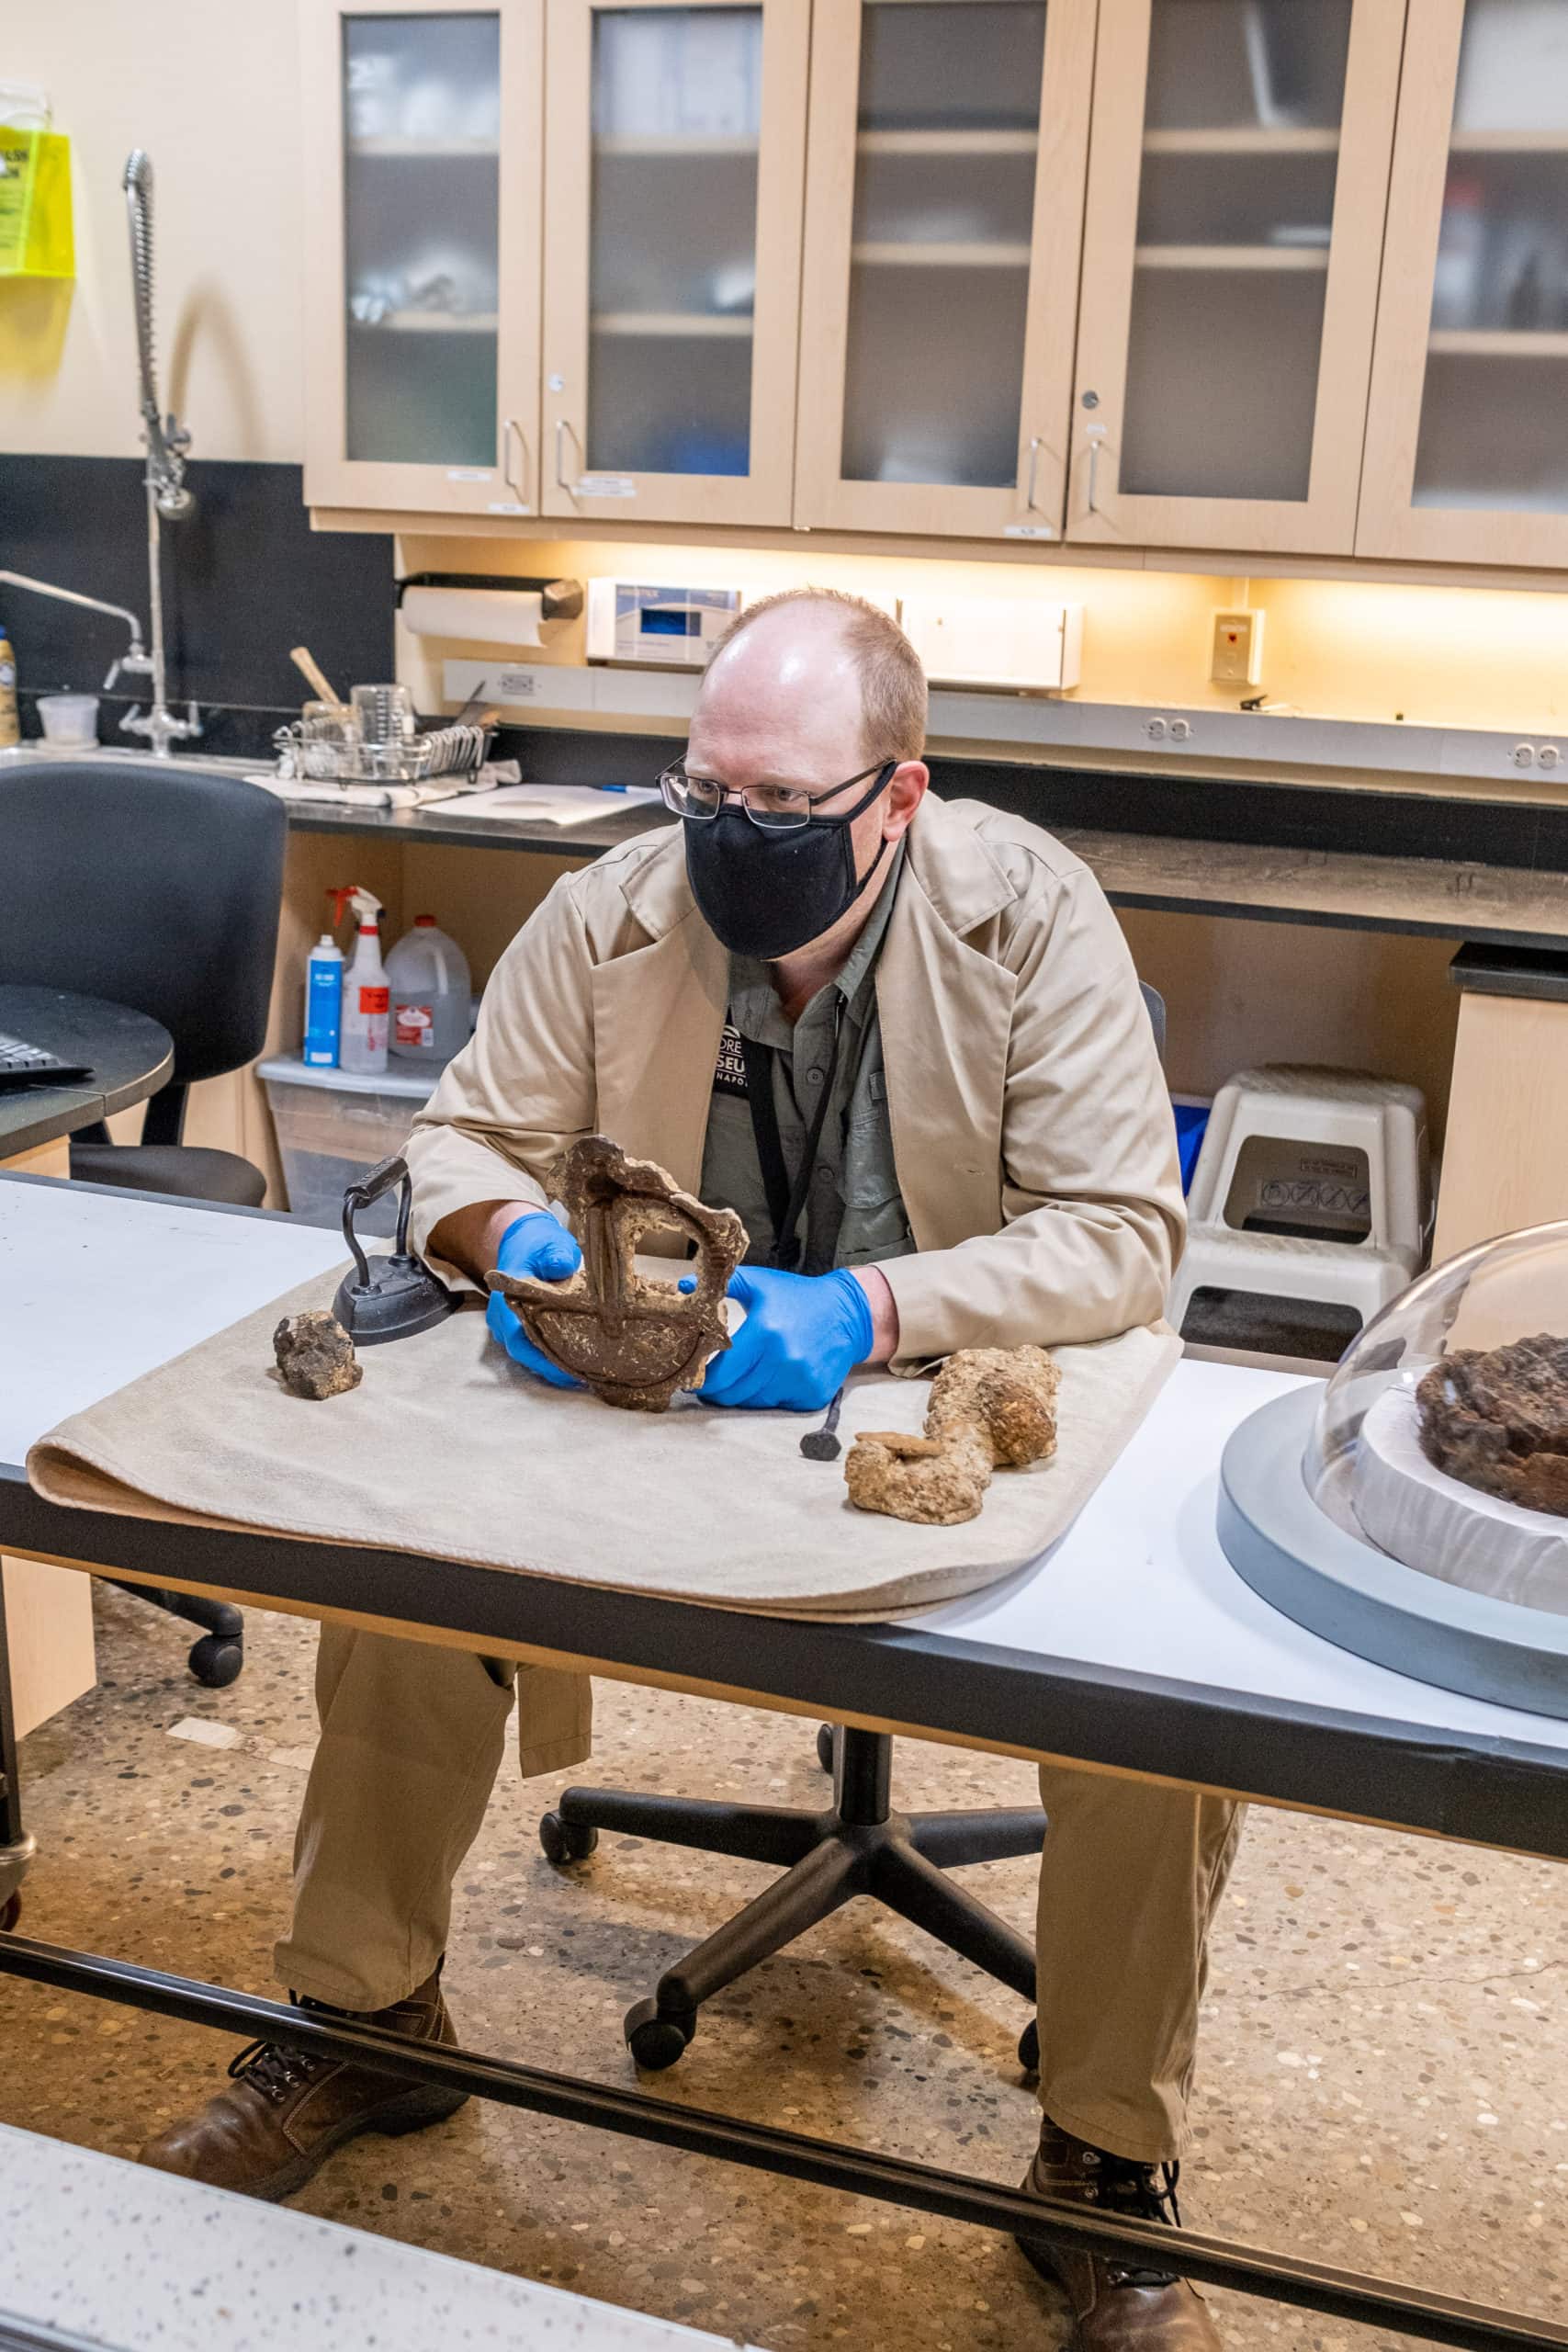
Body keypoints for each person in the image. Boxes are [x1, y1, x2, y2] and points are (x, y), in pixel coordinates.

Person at [142, 591, 1235, 2351]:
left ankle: (1102, 2162)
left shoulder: (1027, 911)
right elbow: (458, 1143)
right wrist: (526, 1255)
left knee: (1159, 1699)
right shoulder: (617, 905)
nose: (729, 839)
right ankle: (368, 2020)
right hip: (659, 1392)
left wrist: (869, 1304)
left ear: (899, 796)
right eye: (701, 789)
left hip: (926, 1389)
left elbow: (1118, 1234)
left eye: (781, 808)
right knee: (403, 1582)